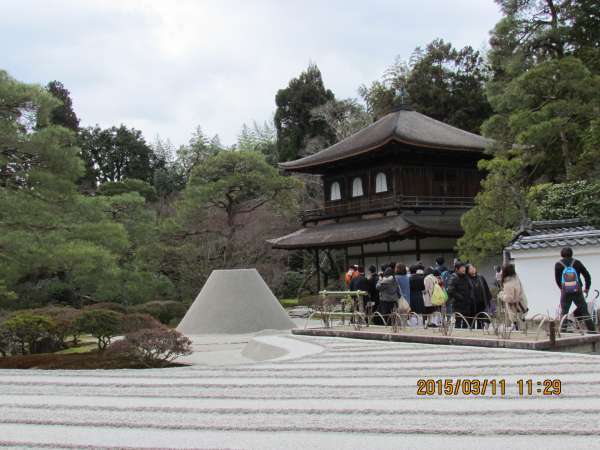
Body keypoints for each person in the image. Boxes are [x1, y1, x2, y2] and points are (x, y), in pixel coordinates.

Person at [554, 247, 595, 332]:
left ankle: (562, 331)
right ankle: (592, 331)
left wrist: (562, 289)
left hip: (565, 291)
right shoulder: (577, 263)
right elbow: (587, 276)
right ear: (571, 253)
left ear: (562, 254)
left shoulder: (558, 264)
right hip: (577, 290)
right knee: (584, 311)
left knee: (564, 312)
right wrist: (587, 288)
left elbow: (557, 280)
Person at [498, 264, 528, 329]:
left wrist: (501, 295)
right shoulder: (516, 279)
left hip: (514, 308)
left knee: (516, 324)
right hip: (522, 304)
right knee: (522, 323)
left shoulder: (508, 283)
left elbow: (509, 298)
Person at [466, 264, 492, 329]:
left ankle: (481, 330)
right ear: (467, 271)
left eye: (473, 267)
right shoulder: (466, 279)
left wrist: (489, 300)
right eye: (471, 268)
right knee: (471, 322)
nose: (473, 269)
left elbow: (486, 289)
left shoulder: (480, 277)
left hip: (482, 303)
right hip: (472, 305)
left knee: (481, 321)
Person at [447, 262, 471, 328]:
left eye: (464, 267)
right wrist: (460, 297)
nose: (464, 269)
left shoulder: (466, 277)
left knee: (466, 323)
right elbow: (450, 290)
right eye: (461, 268)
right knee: (458, 322)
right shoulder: (454, 277)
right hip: (458, 304)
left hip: (467, 303)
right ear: (457, 269)